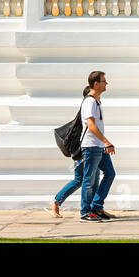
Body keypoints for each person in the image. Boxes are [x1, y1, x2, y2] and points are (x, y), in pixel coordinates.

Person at [79, 70, 116, 222]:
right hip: (90, 146)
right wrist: (106, 141)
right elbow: (91, 125)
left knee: (110, 173)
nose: (106, 83)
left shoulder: (97, 101)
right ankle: (85, 211)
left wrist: (103, 143)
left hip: (98, 146)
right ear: (96, 83)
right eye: (103, 81)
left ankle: (97, 206)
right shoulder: (89, 102)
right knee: (89, 180)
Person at [50, 85, 91, 217]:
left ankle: (95, 207)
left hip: (86, 151)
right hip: (82, 153)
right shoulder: (85, 113)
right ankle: (57, 201)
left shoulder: (88, 110)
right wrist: (81, 154)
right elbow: (78, 136)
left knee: (86, 179)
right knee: (80, 180)